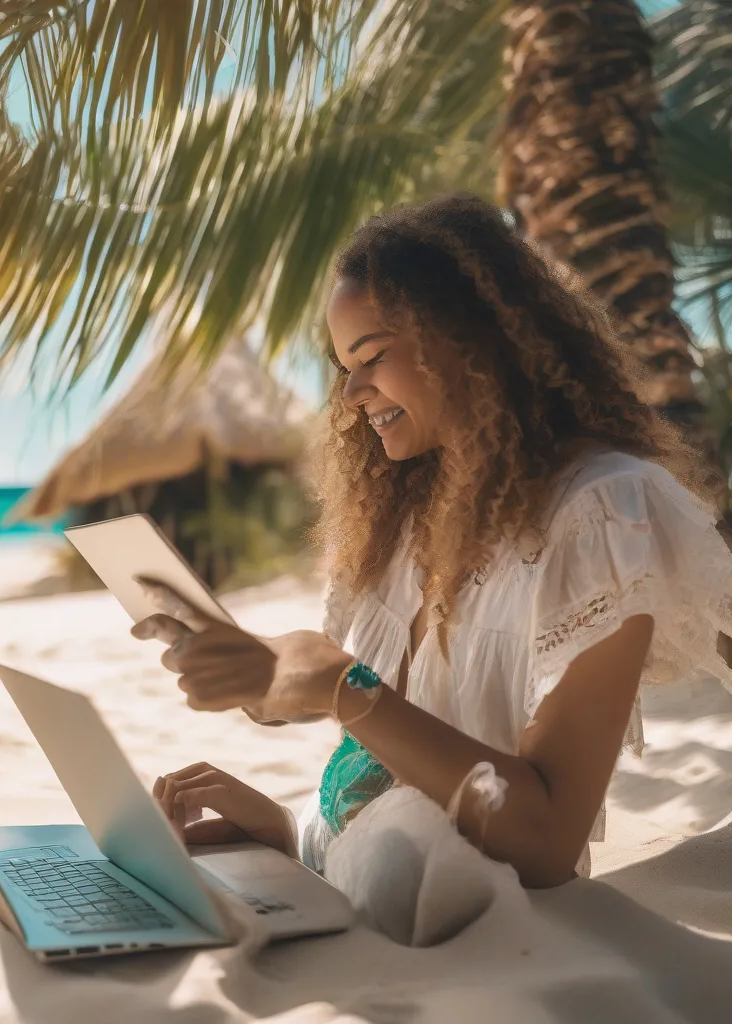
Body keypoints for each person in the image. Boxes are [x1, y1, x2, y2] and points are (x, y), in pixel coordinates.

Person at [132, 194, 732, 888]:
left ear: (473, 340)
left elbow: (542, 842)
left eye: (372, 356)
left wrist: (342, 686)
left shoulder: (600, 512)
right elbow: (389, 760)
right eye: (342, 368)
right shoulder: (403, 510)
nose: (353, 392)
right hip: (340, 882)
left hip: (464, 933)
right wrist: (288, 826)